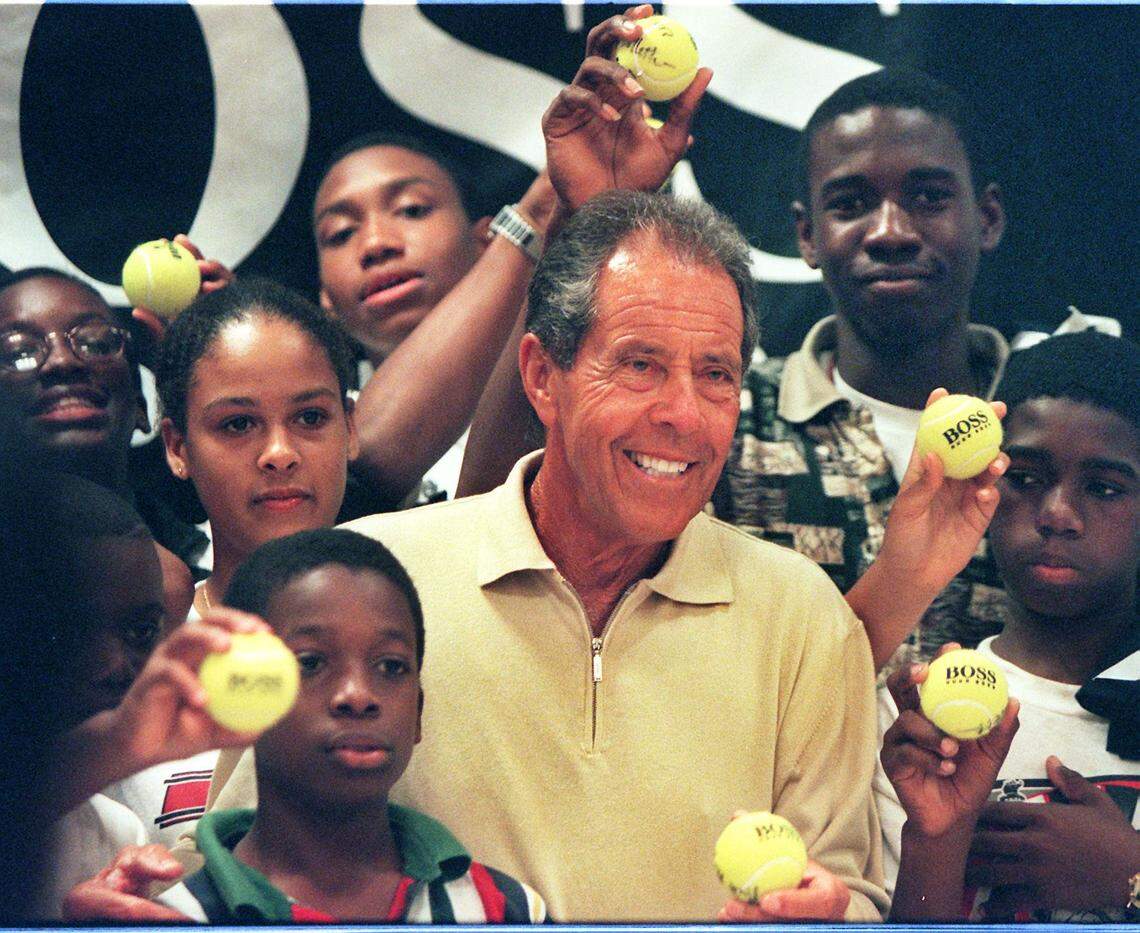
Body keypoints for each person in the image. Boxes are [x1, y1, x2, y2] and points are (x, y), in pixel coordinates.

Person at [715, 67, 1011, 672]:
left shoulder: (1051, 431)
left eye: (928, 197)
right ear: (807, 236)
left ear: (987, 218)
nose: (890, 232)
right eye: (851, 204)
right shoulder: (725, 424)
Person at [147, 529, 544, 922]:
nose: (358, 695)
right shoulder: (170, 920)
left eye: (391, 666)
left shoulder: (502, 909)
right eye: (310, 663)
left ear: (419, 712)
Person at [878, 331, 1140, 921]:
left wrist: (1132, 879)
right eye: (1024, 478)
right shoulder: (912, 719)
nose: (1058, 515)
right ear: (986, 484)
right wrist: (938, 841)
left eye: (1104, 488)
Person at [94, 276, 359, 849]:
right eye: (238, 424)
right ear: (177, 447)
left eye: (311, 417)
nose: (279, 454)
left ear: (351, 427)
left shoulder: (431, 617)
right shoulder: (139, 657)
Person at [11, 473, 268, 918]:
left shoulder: (117, 833)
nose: (114, 664)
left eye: (141, 631)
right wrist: (119, 743)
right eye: (67, 629)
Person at [0, 267, 198, 622]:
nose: (63, 361)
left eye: (95, 343)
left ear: (140, 405)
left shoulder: (211, 571)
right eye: (18, 351)